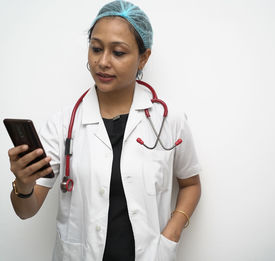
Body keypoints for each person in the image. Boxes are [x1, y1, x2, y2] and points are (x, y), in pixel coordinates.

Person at [7, 1, 201, 260]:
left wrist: (172, 232)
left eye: (118, 52)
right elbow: (25, 210)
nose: (103, 62)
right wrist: (23, 184)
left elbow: (190, 184)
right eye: (96, 49)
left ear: (143, 57)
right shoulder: (63, 124)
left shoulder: (169, 120)